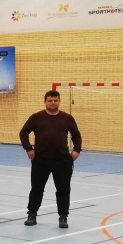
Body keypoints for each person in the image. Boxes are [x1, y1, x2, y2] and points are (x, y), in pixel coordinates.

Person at [19, 90, 82, 228]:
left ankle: (63, 216)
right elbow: (23, 133)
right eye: (50, 100)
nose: (53, 103)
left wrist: (77, 150)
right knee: (37, 188)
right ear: (45, 102)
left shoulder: (67, 118)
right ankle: (32, 214)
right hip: (40, 160)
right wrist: (28, 149)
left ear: (59, 101)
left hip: (62, 161)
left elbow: (76, 135)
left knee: (63, 189)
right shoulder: (36, 117)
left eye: (55, 100)